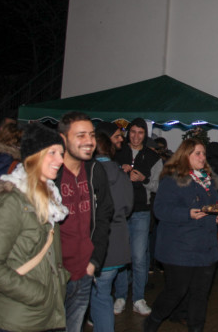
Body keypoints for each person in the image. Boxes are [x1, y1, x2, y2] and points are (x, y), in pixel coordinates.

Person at [0, 122, 70, 332]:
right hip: (16, 319)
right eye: (52, 153)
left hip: (46, 315)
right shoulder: (11, 203)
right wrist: (37, 293)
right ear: (34, 155)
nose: (60, 160)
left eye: (61, 154)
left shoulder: (50, 201)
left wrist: (60, 281)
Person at [143, 138, 218, 332]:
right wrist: (186, 213)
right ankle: (152, 322)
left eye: (204, 153)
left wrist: (217, 216)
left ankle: (196, 328)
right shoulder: (173, 179)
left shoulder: (207, 179)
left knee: (200, 294)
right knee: (176, 291)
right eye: (197, 153)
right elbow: (161, 210)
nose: (202, 157)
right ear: (185, 155)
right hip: (179, 248)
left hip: (205, 247)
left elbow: (211, 206)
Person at [55, 111, 114, 332]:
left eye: (91, 134)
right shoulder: (52, 171)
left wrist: (95, 261)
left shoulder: (94, 169)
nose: (89, 141)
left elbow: (105, 213)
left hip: (84, 272)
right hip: (53, 275)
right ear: (63, 139)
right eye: (81, 135)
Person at [114, 117, 162, 316]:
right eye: (132, 132)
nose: (135, 136)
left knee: (139, 257)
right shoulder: (117, 153)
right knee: (121, 256)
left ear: (145, 134)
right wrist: (119, 170)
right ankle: (120, 297)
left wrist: (144, 179)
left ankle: (139, 298)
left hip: (141, 211)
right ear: (128, 133)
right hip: (118, 211)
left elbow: (158, 186)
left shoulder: (153, 157)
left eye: (140, 132)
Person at [90, 132, 133, 332]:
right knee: (103, 295)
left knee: (94, 295)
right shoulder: (121, 174)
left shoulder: (88, 172)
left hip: (94, 243)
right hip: (116, 242)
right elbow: (127, 208)